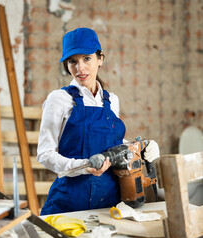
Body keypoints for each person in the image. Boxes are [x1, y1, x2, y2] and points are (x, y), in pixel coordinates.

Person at [37, 27, 160, 215]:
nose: (80, 68)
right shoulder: (59, 99)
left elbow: (113, 145)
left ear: (100, 59)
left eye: (87, 58)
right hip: (70, 200)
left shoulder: (112, 101)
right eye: (72, 61)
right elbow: (44, 154)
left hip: (110, 200)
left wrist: (141, 148)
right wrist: (84, 166)